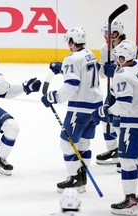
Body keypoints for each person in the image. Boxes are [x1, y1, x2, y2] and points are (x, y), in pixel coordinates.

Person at [92, 40, 138, 216]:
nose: (115, 60)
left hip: (132, 123)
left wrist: (103, 111)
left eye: (117, 57)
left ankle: (130, 200)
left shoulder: (122, 76)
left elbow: (123, 105)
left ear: (122, 57)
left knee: (128, 161)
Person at [41, 27, 103, 192]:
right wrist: (63, 68)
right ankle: (82, 180)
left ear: (70, 41)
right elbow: (83, 71)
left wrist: (52, 97)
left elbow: (71, 85)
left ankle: (75, 178)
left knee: (66, 143)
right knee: (83, 143)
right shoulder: (89, 53)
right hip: (95, 106)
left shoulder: (72, 59)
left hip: (80, 108)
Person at [95, 19, 127, 166]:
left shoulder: (128, 47)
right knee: (105, 118)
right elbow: (102, 74)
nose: (106, 36)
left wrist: (115, 70)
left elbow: (130, 71)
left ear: (118, 32)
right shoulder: (104, 48)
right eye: (105, 33)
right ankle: (113, 150)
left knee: (120, 123)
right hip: (114, 90)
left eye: (110, 33)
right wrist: (104, 69)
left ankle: (125, 154)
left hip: (126, 91)